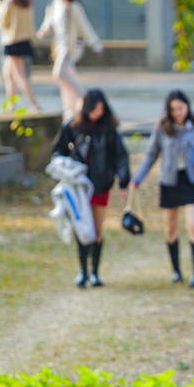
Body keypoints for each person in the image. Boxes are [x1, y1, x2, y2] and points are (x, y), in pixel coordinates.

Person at [130, 90, 194, 289]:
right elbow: (151, 155)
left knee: (193, 225)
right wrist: (137, 179)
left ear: (187, 106)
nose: (178, 112)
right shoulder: (162, 127)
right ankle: (176, 270)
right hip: (169, 182)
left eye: (181, 108)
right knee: (170, 229)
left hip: (191, 181)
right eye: (173, 109)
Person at [52, 89, 130, 287]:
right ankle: (83, 271)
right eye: (94, 109)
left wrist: (124, 180)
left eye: (101, 109)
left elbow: (120, 155)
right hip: (79, 185)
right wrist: (68, 167)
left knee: (96, 228)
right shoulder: (73, 125)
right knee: (81, 227)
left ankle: (95, 271)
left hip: (101, 184)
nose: (97, 113)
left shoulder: (109, 128)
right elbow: (58, 150)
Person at [37, 0, 103, 118]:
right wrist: (42, 31)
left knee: (59, 73)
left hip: (69, 47)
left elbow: (85, 26)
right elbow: (48, 23)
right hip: (58, 46)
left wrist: (95, 43)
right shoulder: (53, 5)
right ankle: (70, 109)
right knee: (66, 79)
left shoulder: (73, 7)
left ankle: (86, 98)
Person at [0, 0, 41, 112]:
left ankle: (34, 105)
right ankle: (11, 105)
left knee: (20, 74)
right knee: (8, 73)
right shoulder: (26, 0)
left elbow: (1, 23)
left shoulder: (9, 1)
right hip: (24, 39)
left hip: (13, 40)